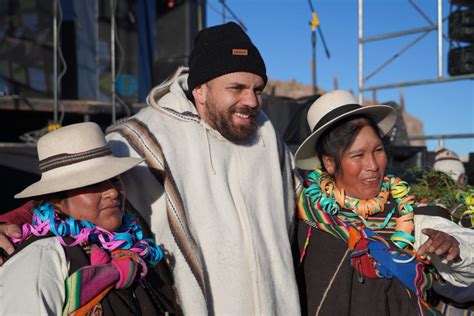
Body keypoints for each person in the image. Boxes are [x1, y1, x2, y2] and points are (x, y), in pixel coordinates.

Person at [0, 22, 301, 314]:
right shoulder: (144, 138)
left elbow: (307, 198)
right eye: (236, 88)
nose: (251, 101)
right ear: (201, 90)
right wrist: (7, 226)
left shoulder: (265, 134)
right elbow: (70, 189)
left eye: (258, 89)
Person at [293, 90, 474, 315]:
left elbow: (468, 256)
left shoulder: (409, 212)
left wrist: (455, 249)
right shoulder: (304, 215)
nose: (373, 165)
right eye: (358, 155)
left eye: (378, 150)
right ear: (329, 163)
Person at [0, 122, 177, 315]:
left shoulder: (138, 251)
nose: (112, 192)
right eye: (94, 184)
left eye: (115, 179)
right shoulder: (40, 260)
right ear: (58, 200)